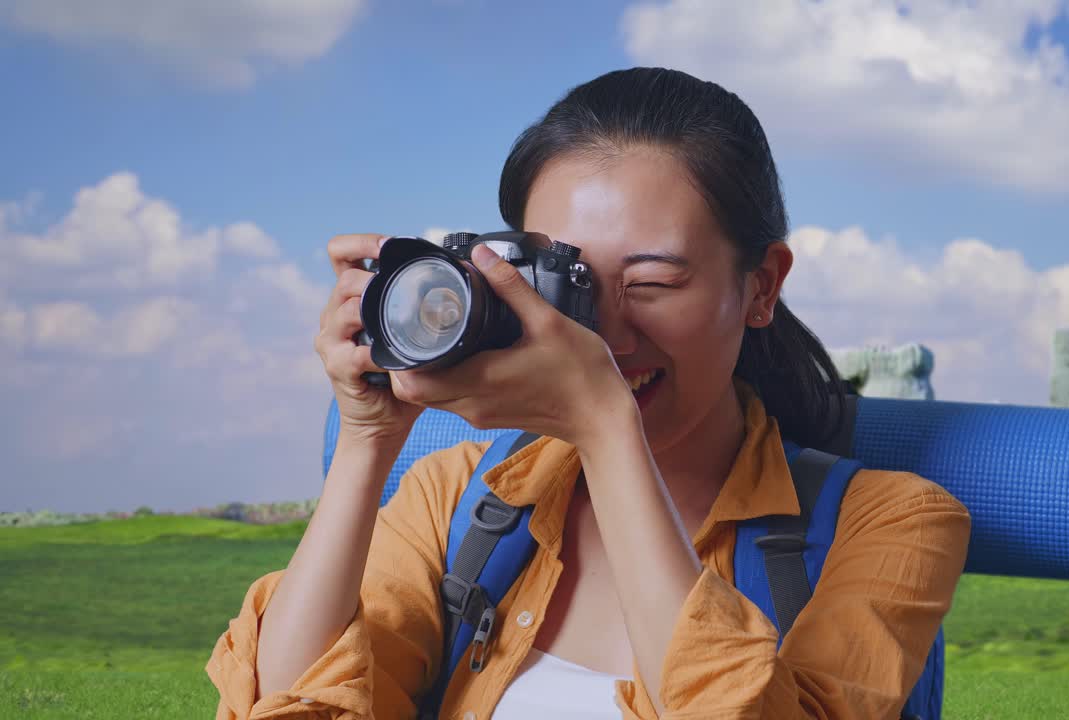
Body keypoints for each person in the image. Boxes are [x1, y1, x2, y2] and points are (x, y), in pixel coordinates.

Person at [207, 67, 971, 720]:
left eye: (651, 283)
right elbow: (296, 703)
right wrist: (368, 438)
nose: (599, 332)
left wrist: (609, 429)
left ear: (761, 286)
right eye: (562, 281)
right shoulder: (456, 503)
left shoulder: (895, 524)